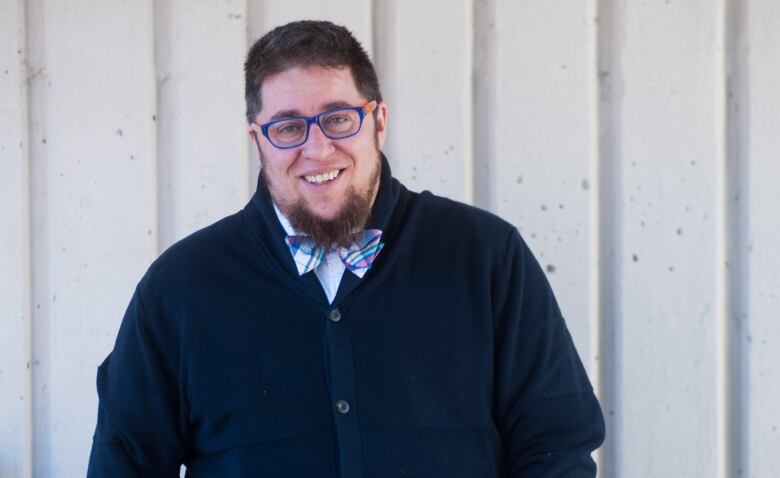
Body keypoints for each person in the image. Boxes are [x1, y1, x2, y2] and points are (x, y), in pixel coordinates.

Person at [88, 20, 604, 477]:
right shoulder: (180, 289)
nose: (317, 148)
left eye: (338, 118)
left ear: (378, 121)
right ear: (257, 140)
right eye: (288, 127)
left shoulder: (487, 258)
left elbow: (556, 445)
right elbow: (124, 462)